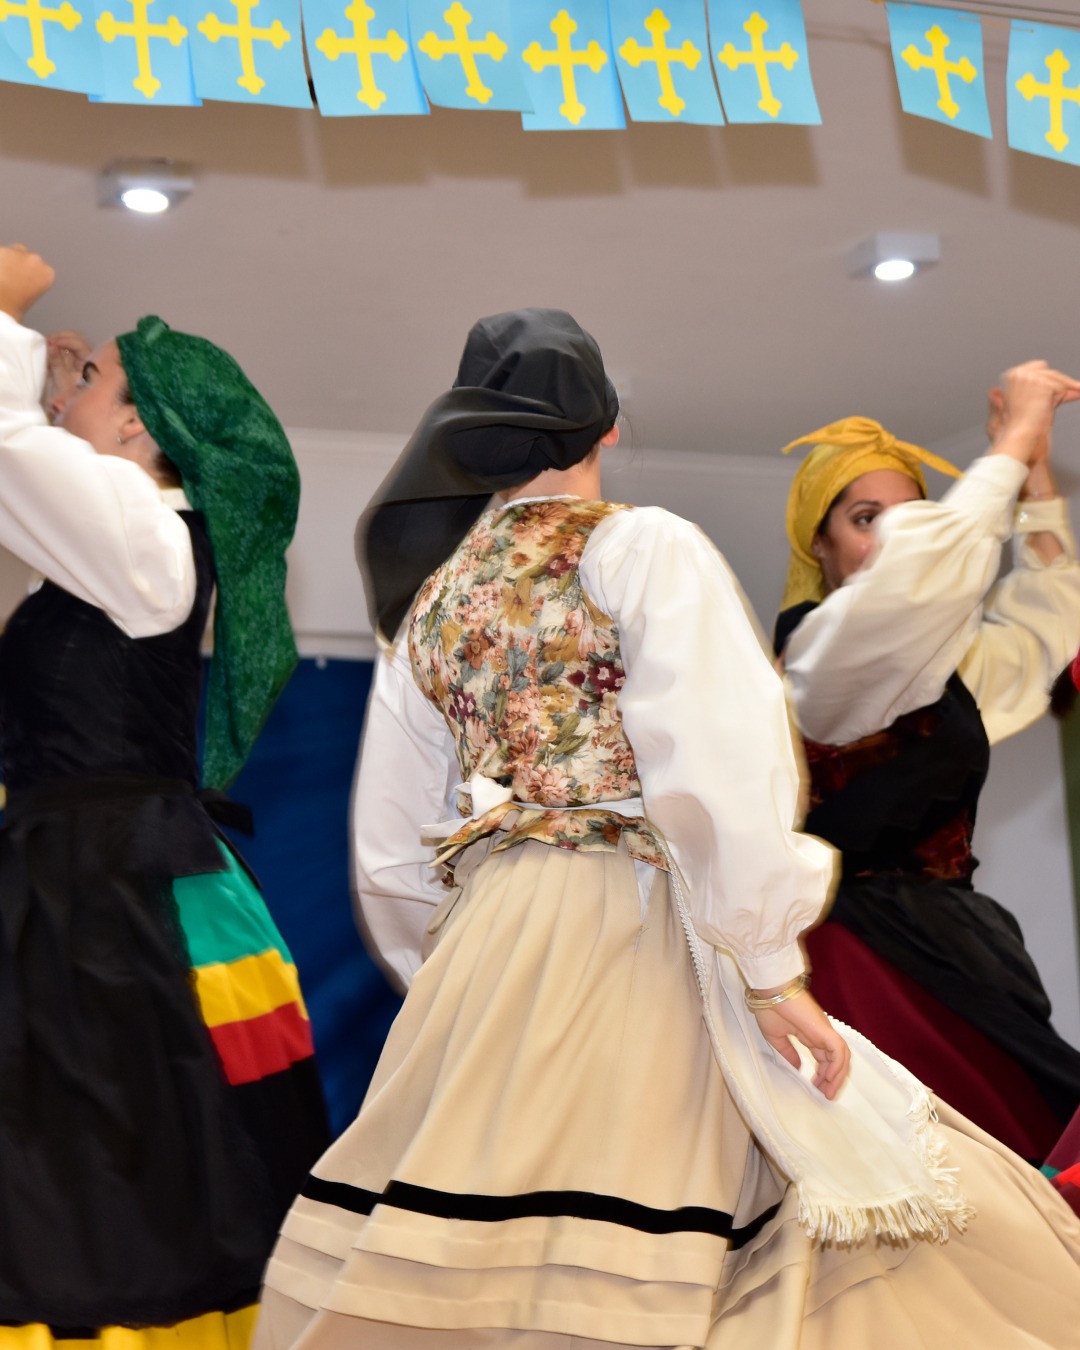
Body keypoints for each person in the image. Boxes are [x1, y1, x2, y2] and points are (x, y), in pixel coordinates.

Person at [258, 310, 1080, 1350]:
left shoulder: (429, 602)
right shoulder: (644, 544)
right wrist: (771, 966)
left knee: (482, 1264)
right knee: (711, 1237)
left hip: (490, 943)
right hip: (642, 918)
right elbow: (717, 773)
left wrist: (465, 977)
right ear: (607, 427)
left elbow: (392, 853)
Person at [0, 244, 330, 1348]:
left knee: (108, 1155)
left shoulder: (145, 537)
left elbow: (8, 453)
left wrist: (2, 316)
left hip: (109, 900)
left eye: (90, 377)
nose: (69, 380)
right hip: (82, 881)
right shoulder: (113, 551)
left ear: (142, 429)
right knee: (85, 1153)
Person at [775, 372, 1080, 1165]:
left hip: (966, 952)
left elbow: (1052, 606)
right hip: (858, 966)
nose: (895, 539)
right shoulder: (816, 658)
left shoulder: (951, 669)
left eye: (912, 519)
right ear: (822, 543)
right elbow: (916, 588)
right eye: (868, 519)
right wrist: (1011, 439)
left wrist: (1036, 466)